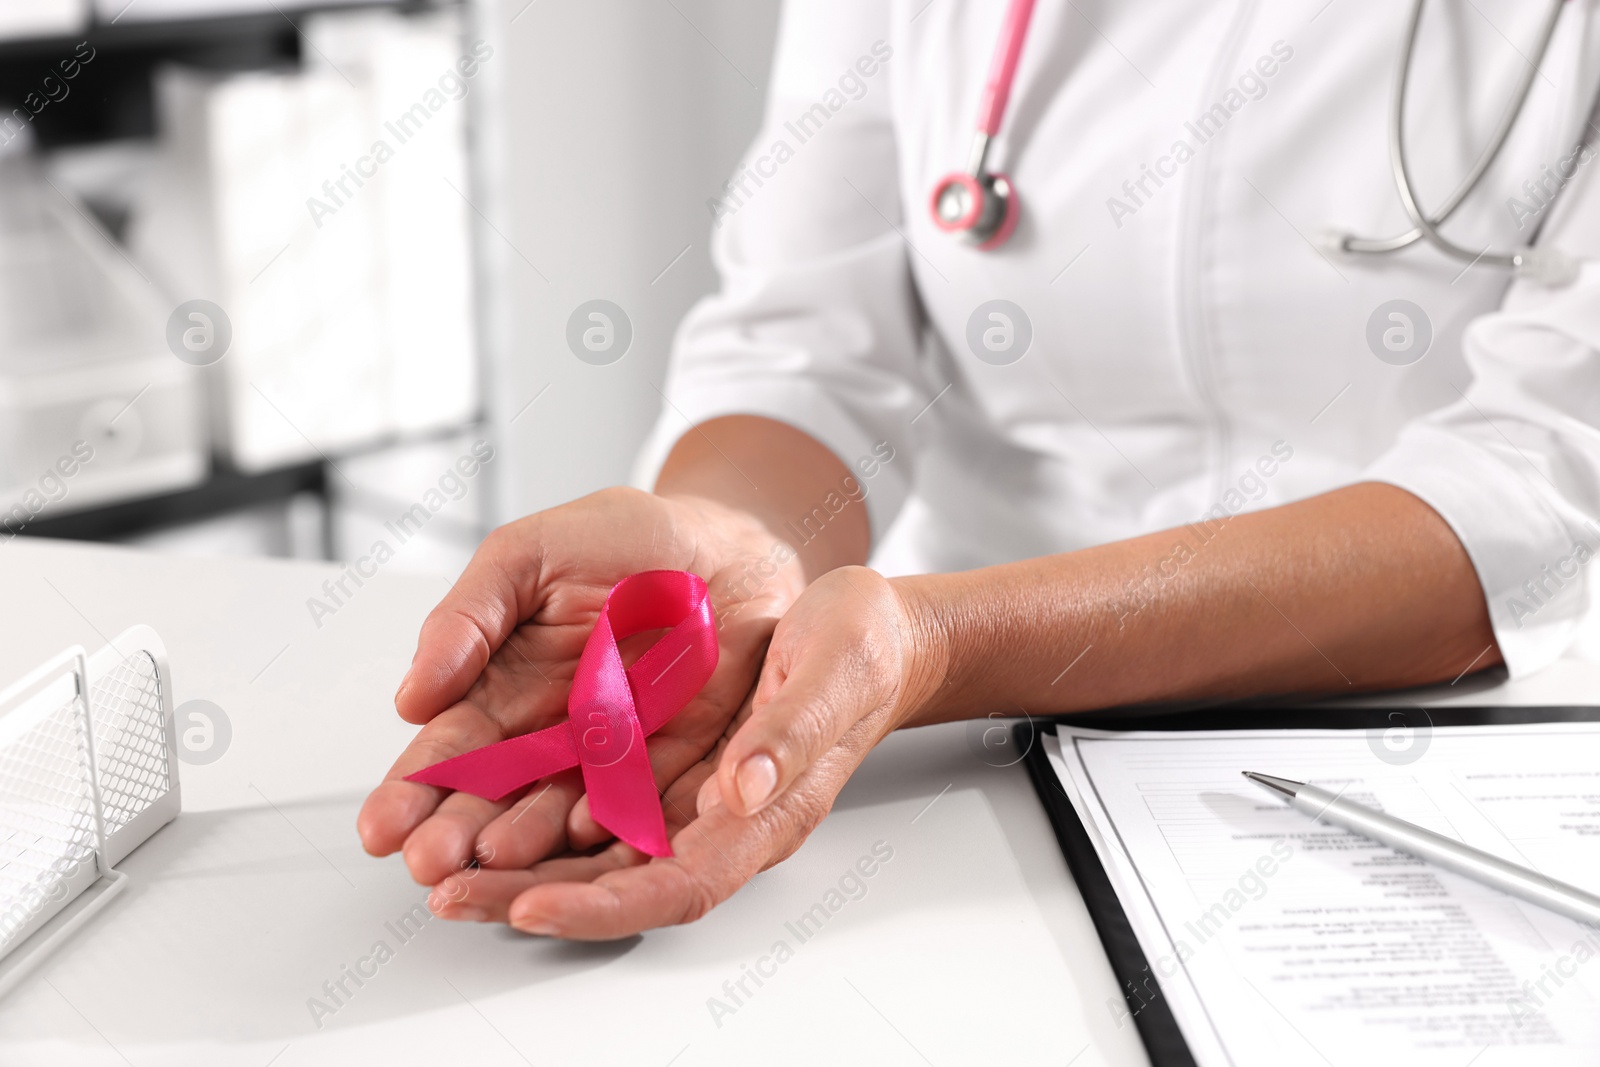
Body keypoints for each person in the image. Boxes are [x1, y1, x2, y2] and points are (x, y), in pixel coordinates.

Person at [358, 0, 1600, 939]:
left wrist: (944, 641)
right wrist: (722, 547)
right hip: (950, 756)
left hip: (1435, 753)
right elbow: (808, 350)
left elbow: (1540, 483)